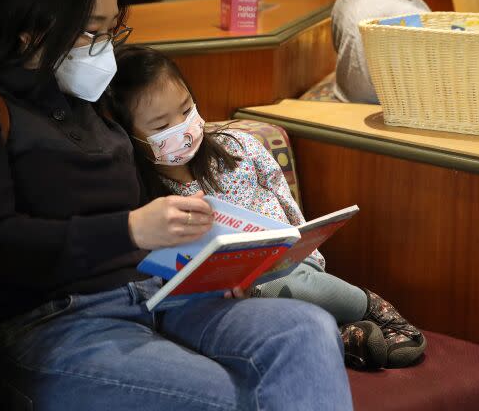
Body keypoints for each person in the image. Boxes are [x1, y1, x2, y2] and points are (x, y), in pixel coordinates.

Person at [0, 0, 352, 410]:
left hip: (160, 295)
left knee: (306, 330)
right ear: (29, 26)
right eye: (90, 31)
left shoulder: (91, 102)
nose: (104, 48)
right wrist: (129, 229)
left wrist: (207, 262)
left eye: (111, 30)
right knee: (229, 399)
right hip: (49, 325)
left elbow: (149, 202)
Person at [104, 44, 427, 370]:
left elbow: (288, 209)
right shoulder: (143, 197)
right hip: (217, 302)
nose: (183, 129)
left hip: (286, 270)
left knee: (279, 279)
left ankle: (369, 308)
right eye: (161, 127)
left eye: (186, 110)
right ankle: (344, 337)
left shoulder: (241, 148)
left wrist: (308, 255)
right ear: (129, 135)